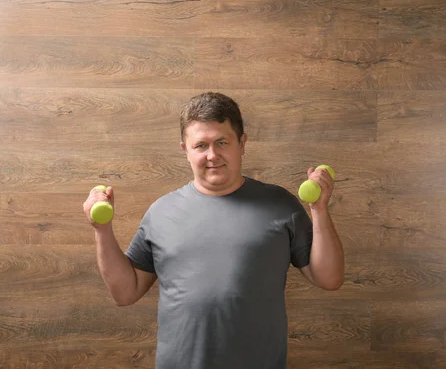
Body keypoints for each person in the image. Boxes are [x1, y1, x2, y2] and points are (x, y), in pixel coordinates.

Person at [82, 92, 345, 369]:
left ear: (242, 143)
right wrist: (102, 230)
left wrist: (319, 210)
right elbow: (126, 293)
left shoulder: (280, 205)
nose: (212, 155)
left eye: (222, 142)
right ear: (185, 150)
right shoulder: (161, 212)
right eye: (201, 145)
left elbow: (329, 279)